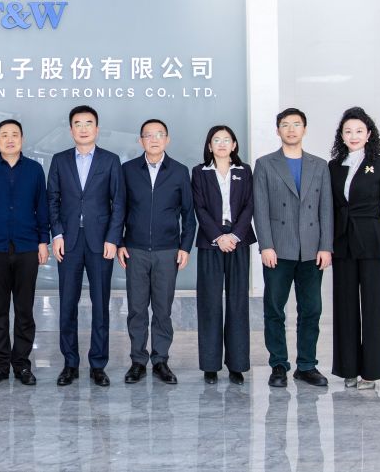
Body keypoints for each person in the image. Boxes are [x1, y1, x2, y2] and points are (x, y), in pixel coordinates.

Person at [253, 108, 333, 387]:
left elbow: (326, 209)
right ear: (278, 130)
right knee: (275, 308)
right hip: (278, 249)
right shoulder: (265, 164)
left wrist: (326, 246)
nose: (291, 129)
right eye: (285, 125)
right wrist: (266, 245)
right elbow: (260, 209)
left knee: (311, 309)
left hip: (312, 249)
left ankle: (307, 365)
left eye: (296, 124)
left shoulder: (319, 165)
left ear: (304, 129)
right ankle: (278, 364)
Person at [47, 105, 125, 387]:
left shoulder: (110, 160)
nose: (83, 128)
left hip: (100, 242)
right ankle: (70, 363)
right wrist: (57, 235)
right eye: (77, 124)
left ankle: (98, 365)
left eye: (88, 123)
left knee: (100, 304)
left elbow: (119, 203)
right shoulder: (59, 160)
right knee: (67, 303)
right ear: (71, 130)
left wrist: (113, 238)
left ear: (97, 129)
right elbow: (52, 200)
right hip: (68, 241)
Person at [0, 119, 50, 386]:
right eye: (4, 135)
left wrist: (43, 241)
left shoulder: (35, 170)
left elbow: (42, 208)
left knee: (25, 310)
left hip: (28, 248)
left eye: (15, 134)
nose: (10, 139)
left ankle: (22, 365)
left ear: (22, 139)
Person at [118, 119, 195, 385]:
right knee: (137, 309)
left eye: (159, 134)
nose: (154, 139)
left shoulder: (179, 171)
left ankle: (160, 360)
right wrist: (120, 243)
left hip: (167, 251)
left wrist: (185, 247)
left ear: (167, 139)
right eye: (148, 135)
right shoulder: (128, 170)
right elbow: (119, 209)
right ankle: (138, 361)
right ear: (141, 140)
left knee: (162, 310)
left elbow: (189, 214)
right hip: (135, 250)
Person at [328, 107, 380, 390]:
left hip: (372, 241)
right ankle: (348, 368)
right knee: (344, 306)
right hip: (342, 242)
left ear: (369, 134)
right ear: (341, 136)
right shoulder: (334, 166)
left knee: (374, 307)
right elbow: (330, 207)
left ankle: (371, 371)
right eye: (348, 131)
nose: (353, 136)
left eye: (359, 131)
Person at [191, 125, 256, 385]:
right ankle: (210, 365)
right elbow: (200, 207)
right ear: (209, 146)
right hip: (211, 242)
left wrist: (235, 236)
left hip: (239, 241)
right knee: (209, 302)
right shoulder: (199, 172)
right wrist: (219, 237)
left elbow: (249, 205)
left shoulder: (244, 171)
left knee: (238, 302)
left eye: (226, 139)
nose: (221, 144)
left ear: (234, 145)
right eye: (216, 140)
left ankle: (236, 365)